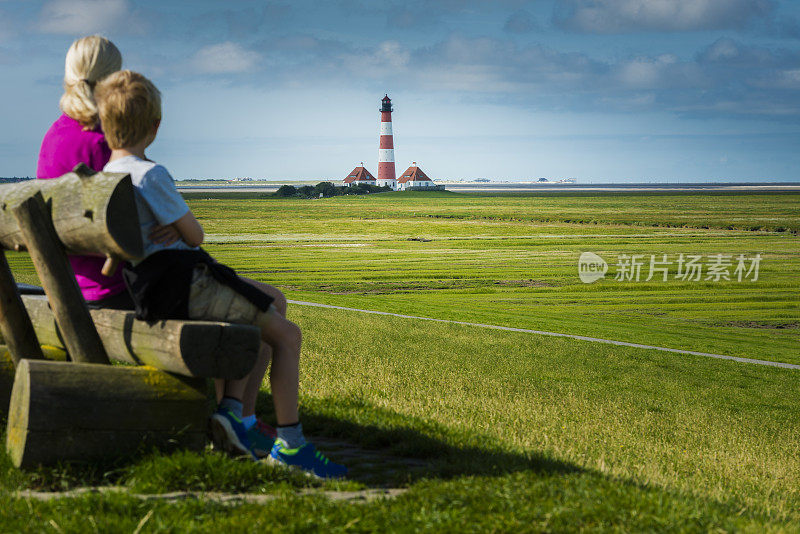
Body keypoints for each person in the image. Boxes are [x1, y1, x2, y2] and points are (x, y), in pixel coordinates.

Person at [94, 70, 346, 479]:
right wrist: (178, 227)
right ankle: (290, 444)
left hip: (149, 288)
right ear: (155, 127)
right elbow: (196, 236)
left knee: (263, 304)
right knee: (287, 334)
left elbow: (112, 252)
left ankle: (231, 415)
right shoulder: (150, 175)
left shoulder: (104, 179)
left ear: (105, 126)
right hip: (184, 287)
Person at [36, 36, 279, 456]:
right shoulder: (102, 141)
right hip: (117, 287)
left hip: (72, 283)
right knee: (269, 303)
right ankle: (239, 419)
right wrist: (163, 229)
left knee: (243, 299)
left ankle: (231, 414)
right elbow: (128, 223)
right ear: (113, 79)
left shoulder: (55, 135)